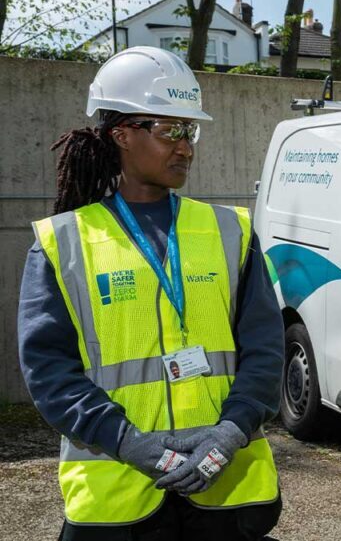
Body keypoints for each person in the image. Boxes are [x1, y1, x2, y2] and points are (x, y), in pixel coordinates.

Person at [18, 46, 284, 541]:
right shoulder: (63, 242)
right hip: (118, 495)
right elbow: (49, 372)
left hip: (227, 489)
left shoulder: (230, 231)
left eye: (191, 131)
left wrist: (230, 433)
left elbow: (266, 351)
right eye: (170, 131)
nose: (185, 147)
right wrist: (127, 442)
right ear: (121, 133)